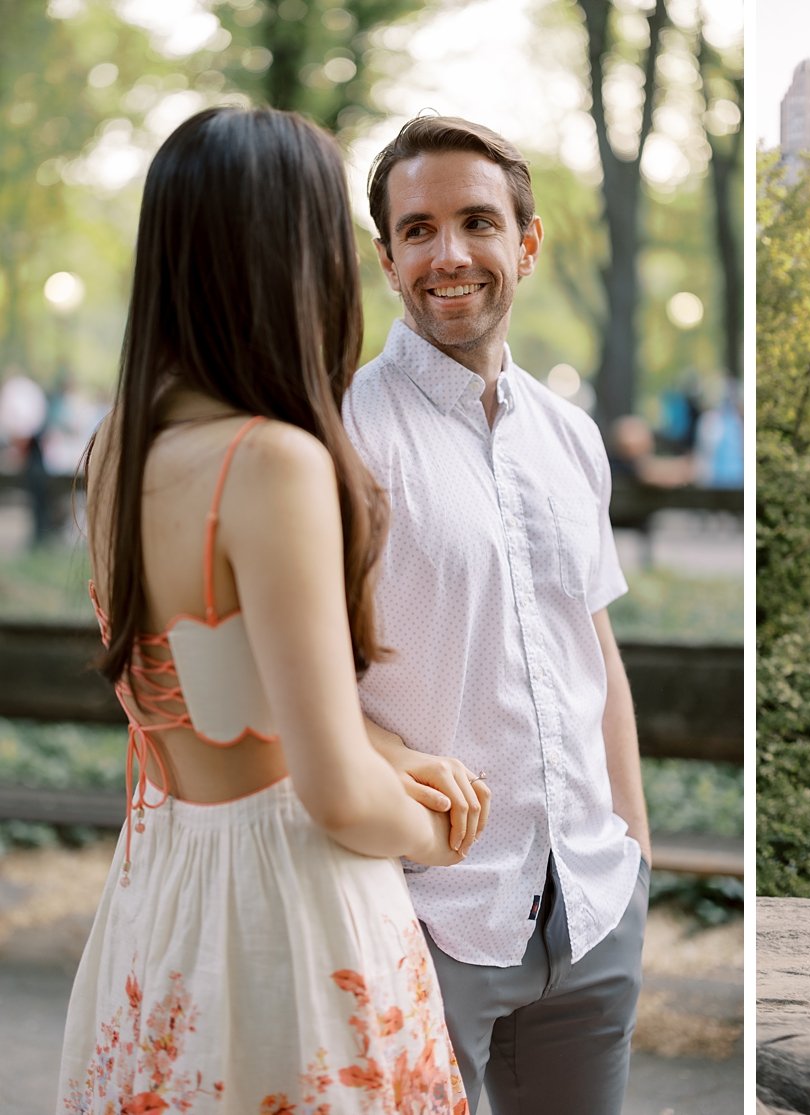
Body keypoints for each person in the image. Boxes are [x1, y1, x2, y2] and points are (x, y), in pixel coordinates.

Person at [56, 106, 469, 1113]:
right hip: (293, 913)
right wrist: (442, 826)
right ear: (298, 257)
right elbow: (333, 794)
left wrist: (391, 751)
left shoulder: (120, 448)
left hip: (166, 897)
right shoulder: (270, 462)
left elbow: (224, 689)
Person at [344, 115, 652, 1113]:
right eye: (419, 230)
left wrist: (631, 850)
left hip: (594, 910)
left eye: (477, 222)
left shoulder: (572, 437)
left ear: (526, 242)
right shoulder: (344, 434)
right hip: (431, 911)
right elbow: (295, 676)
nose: (451, 254)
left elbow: (591, 647)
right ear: (388, 259)